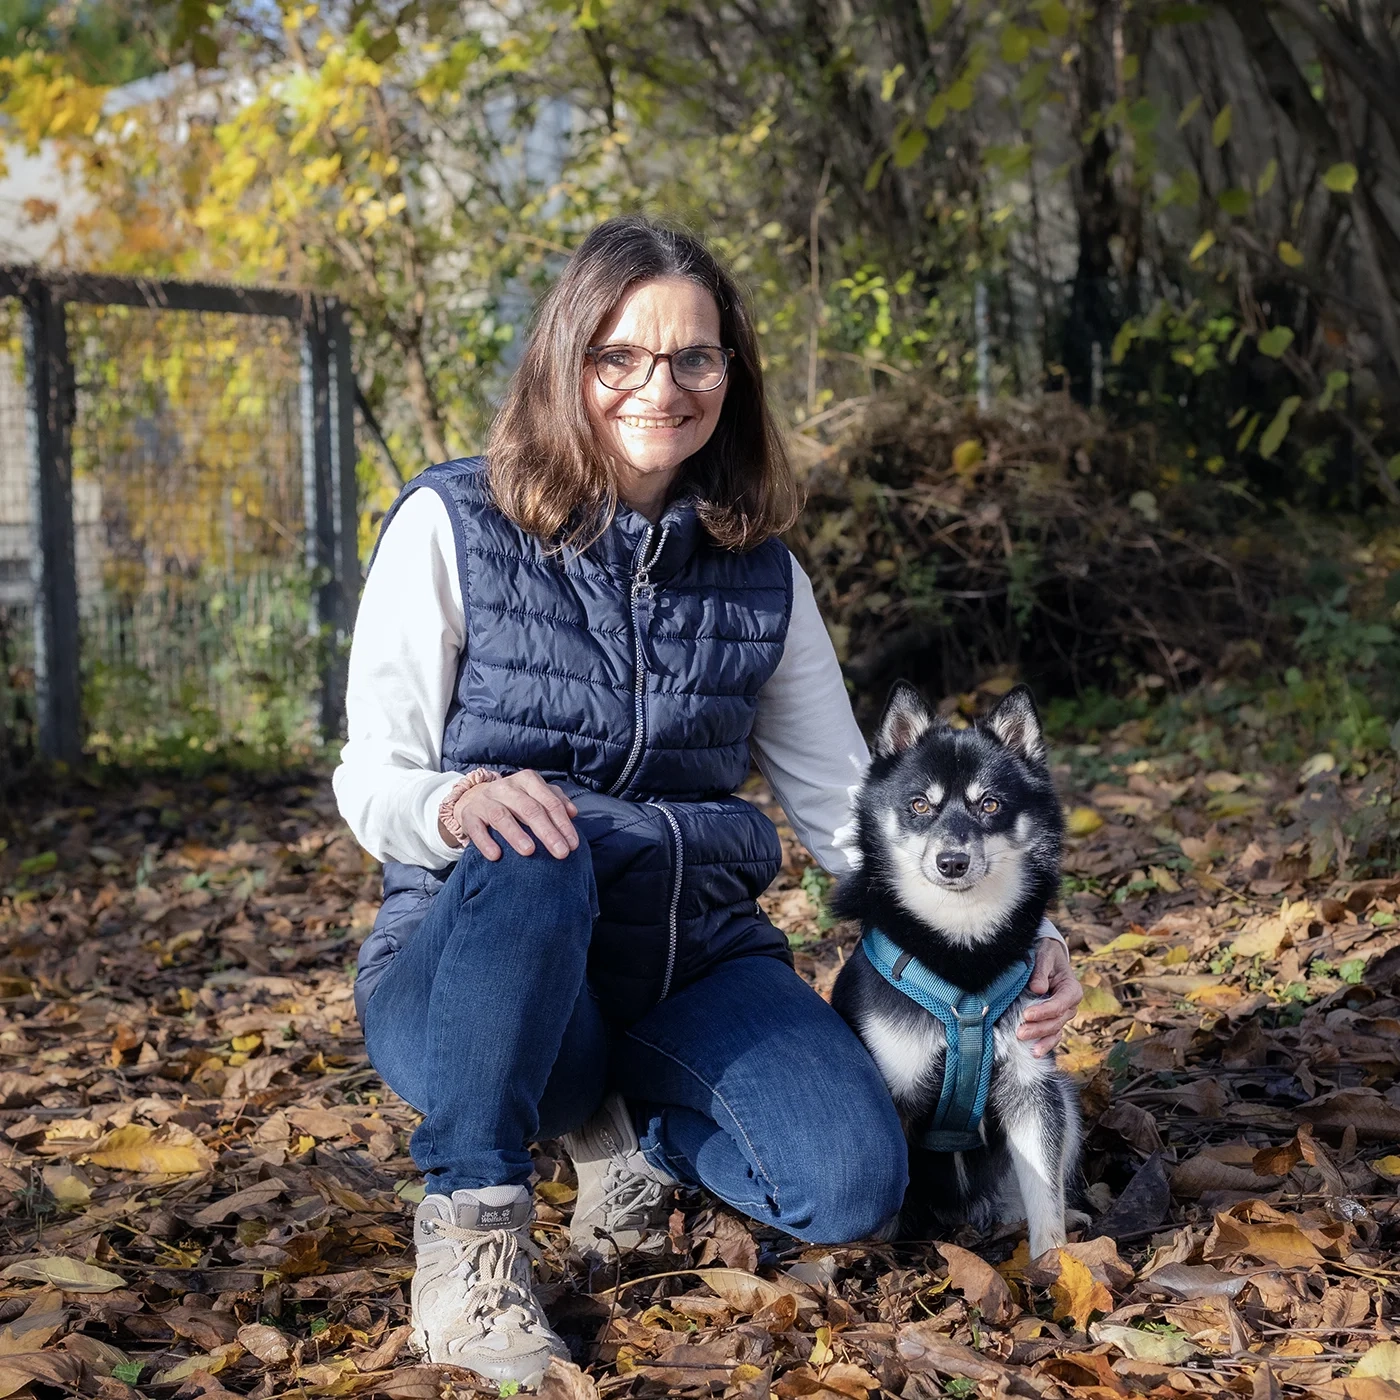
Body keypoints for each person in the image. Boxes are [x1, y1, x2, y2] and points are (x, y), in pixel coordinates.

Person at [333, 215, 1084, 1388]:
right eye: (620, 355)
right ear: (566, 359)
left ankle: (629, 1144)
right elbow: (370, 775)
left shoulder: (761, 572)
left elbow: (855, 811)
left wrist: (1023, 936)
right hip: (479, 966)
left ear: (729, 375)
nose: (659, 385)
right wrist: (457, 801)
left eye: (694, 356)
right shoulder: (451, 523)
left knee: (846, 1188)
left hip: (690, 961)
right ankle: (473, 1241)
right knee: (538, 838)